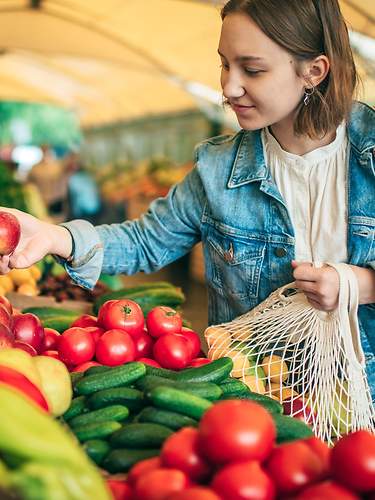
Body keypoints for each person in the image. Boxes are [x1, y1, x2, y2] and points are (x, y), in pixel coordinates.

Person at [0, 0, 374, 398]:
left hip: (363, 397)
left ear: (313, 71)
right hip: (255, 401)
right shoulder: (218, 168)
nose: (229, 87)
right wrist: (56, 237)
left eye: (252, 69)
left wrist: (359, 284)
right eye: (224, 64)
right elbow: (146, 241)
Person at [65, 152, 101, 224]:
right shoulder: (88, 175)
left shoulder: (74, 178)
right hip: (92, 210)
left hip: (84, 212)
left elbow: (73, 197)